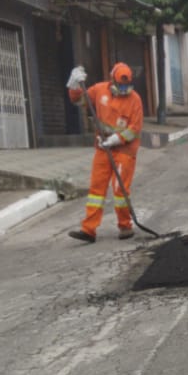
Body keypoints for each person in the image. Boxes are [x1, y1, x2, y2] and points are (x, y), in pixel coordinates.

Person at [66, 62, 144, 243]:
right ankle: (89, 230)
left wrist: (116, 139)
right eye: (121, 85)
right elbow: (78, 100)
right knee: (96, 189)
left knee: (120, 190)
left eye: (127, 86)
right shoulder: (99, 91)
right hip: (103, 147)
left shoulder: (135, 100)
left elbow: (135, 128)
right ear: (112, 81)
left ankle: (125, 226)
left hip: (124, 149)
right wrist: (74, 85)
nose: (124, 89)